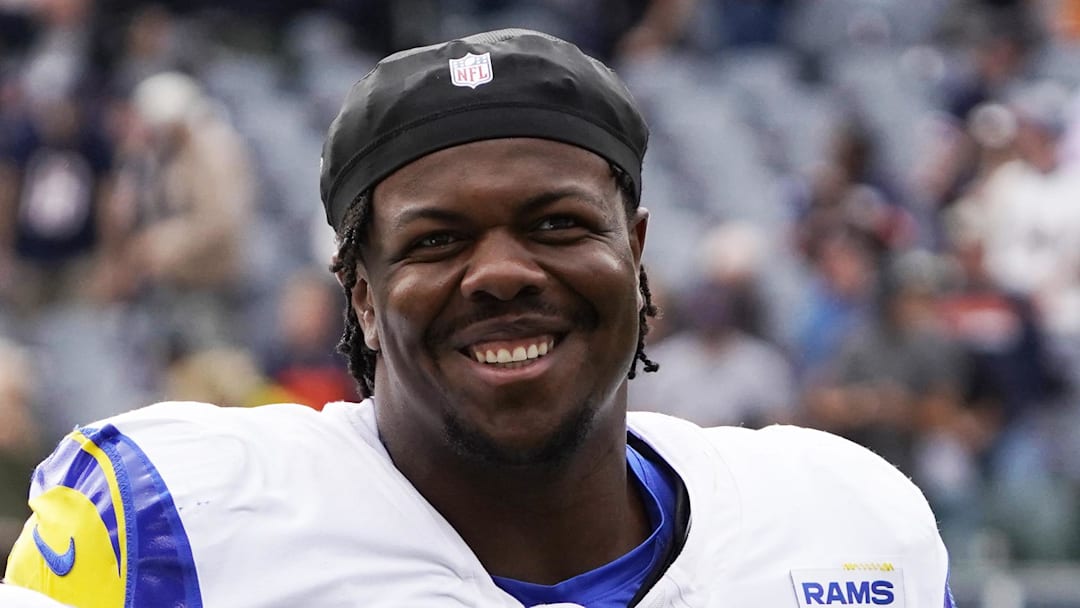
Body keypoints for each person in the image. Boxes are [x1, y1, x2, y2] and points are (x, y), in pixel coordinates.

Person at [2, 29, 955, 607]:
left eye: (557, 224)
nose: (501, 273)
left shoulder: (846, 526)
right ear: (362, 295)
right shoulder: (168, 527)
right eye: (437, 241)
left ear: (635, 249)